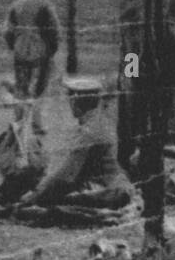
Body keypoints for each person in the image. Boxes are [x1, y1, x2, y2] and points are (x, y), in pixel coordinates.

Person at [17, 77, 133, 212]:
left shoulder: (89, 133)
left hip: (112, 193)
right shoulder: (97, 123)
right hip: (115, 190)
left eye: (70, 98)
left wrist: (35, 196)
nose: (69, 102)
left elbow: (65, 177)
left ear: (75, 101)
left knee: (50, 207)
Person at [5, 0, 61, 134]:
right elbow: (54, 31)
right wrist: (52, 50)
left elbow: (8, 31)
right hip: (40, 51)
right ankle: (37, 124)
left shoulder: (16, 5)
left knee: (20, 86)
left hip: (20, 50)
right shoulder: (46, 6)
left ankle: (18, 122)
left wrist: (14, 46)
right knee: (40, 88)